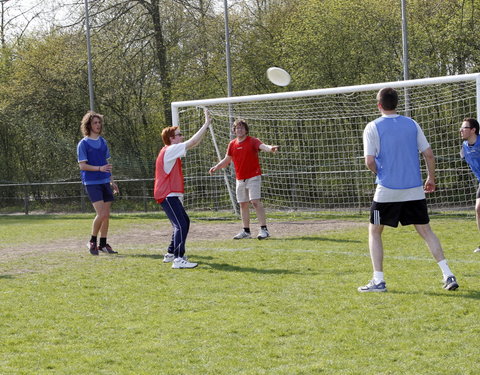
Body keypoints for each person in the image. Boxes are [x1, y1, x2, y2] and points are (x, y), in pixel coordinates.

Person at [359, 87, 459, 292]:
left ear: (379, 105)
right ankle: (448, 274)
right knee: (426, 231)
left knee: (375, 231)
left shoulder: (372, 127)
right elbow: (429, 154)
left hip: (386, 191)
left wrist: (380, 174)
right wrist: (431, 177)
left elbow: (369, 161)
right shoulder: (412, 123)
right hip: (414, 189)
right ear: (396, 104)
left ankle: (378, 280)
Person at [155, 108, 211, 269]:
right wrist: (206, 123)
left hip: (167, 193)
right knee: (181, 224)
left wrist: (206, 127)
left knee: (183, 222)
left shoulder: (170, 150)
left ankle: (171, 253)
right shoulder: (170, 149)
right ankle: (178, 259)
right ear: (172, 139)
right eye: (179, 134)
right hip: (167, 194)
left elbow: (194, 143)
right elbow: (192, 142)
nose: (182, 136)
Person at [209, 119, 279, 240]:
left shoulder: (252, 141)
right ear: (234, 130)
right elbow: (227, 159)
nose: (239, 130)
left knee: (255, 202)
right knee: (243, 204)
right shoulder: (232, 144)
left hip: (253, 177)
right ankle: (246, 231)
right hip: (240, 179)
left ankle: (264, 229)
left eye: (241, 128)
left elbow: (263, 146)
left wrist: (270, 148)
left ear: (246, 130)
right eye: (237, 128)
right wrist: (217, 166)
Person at [77, 111, 119, 256]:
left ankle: (103, 244)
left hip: (105, 181)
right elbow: (82, 166)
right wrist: (99, 169)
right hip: (91, 182)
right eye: (95, 123)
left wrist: (112, 181)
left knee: (106, 215)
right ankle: (92, 241)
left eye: (99, 122)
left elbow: (107, 164)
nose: (98, 125)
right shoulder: (83, 144)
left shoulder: (103, 142)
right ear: (88, 125)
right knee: (100, 213)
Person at [459, 117, 480, 253]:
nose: (461, 130)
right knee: (478, 210)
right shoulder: (465, 147)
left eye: (464, 127)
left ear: (473, 130)